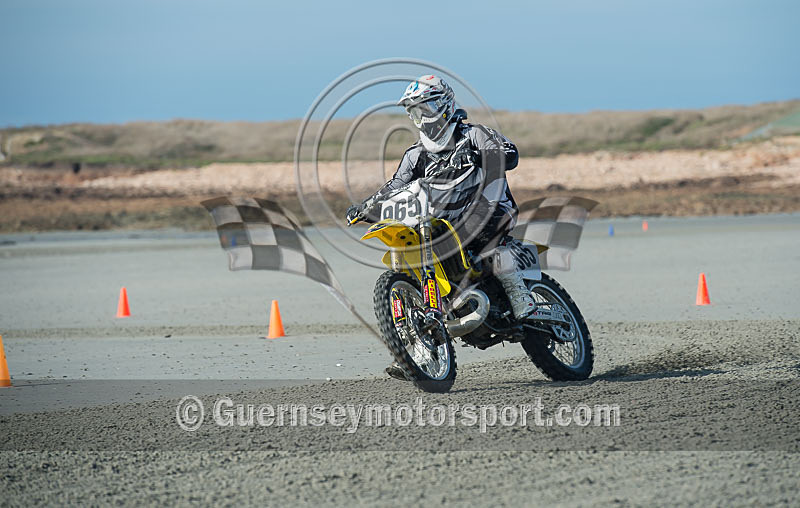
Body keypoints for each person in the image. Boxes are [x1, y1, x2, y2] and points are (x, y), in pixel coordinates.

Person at [346, 74, 535, 321]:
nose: (422, 118)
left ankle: (520, 294)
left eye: (426, 108)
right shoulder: (415, 154)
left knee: (484, 238)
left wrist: (481, 157)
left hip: (491, 206)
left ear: (445, 103)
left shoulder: (474, 134)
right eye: (415, 113)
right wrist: (366, 206)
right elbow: (395, 185)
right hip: (443, 218)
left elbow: (511, 154)